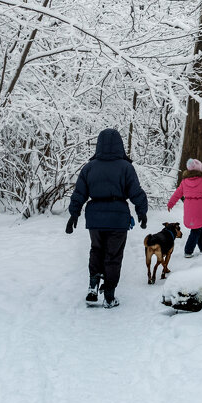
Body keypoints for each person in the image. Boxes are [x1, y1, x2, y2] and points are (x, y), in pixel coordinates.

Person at [66, 128, 148, 308]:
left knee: (96, 250)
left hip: (95, 217)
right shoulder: (126, 167)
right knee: (113, 255)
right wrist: (142, 211)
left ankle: (93, 286)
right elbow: (136, 192)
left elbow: (79, 192)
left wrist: (74, 213)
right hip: (118, 219)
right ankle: (109, 295)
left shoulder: (89, 167)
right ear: (120, 145)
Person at [167, 158, 202, 257]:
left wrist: (170, 203)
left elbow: (177, 193)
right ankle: (188, 251)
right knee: (196, 230)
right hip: (200, 209)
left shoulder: (184, 181)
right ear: (200, 170)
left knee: (198, 228)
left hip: (189, 208)